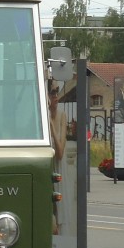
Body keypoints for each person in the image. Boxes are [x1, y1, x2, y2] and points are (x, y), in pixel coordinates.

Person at [48, 81, 67, 235]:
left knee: (59, 216)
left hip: (58, 168)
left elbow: (60, 152)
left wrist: (52, 126)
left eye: (56, 92)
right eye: (52, 93)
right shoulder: (40, 119)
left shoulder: (62, 116)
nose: (55, 96)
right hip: (48, 167)